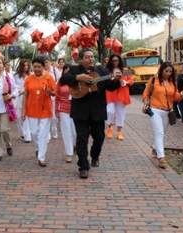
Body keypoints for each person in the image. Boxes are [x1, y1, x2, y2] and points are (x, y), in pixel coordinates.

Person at [59, 48, 121, 179]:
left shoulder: (102, 71)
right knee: (82, 139)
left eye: (92, 56)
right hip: (80, 111)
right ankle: (83, 167)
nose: (91, 59)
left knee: (99, 137)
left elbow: (110, 87)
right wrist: (78, 78)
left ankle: (95, 155)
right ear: (81, 59)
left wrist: (116, 80)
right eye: (87, 57)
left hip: (98, 110)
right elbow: (64, 79)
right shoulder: (75, 70)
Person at [142, 61, 183, 169]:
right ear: (161, 70)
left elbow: (176, 97)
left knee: (162, 132)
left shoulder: (172, 83)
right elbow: (146, 94)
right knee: (159, 132)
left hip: (168, 111)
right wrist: (146, 101)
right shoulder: (153, 80)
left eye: (170, 71)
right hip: (154, 110)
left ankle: (155, 148)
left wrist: (182, 93)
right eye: (166, 71)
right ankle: (161, 157)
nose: (168, 73)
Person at [21, 57, 56, 167]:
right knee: (34, 132)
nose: (37, 69)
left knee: (43, 133)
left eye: (39, 67)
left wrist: (50, 92)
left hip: (45, 109)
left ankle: (41, 157)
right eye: (35, 67)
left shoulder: (49, 78)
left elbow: (55, 93)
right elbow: (25, 95)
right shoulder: (29, 79)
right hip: (31, 109)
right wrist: (23, 110)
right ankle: (37, 148)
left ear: (43, 67)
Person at [105, 54, 133, 140]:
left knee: (120, 113)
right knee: (109, 111)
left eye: (116, 60)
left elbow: (131, 80)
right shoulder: (107, 71)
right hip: (110, 93)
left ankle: (119, 132)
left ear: (119, 60)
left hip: (122, 94)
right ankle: (109, 127)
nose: (115, 62)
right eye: (113, 60)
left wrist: (126, 82)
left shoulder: (125, 70)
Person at [55, 64, 77, 163]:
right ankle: (69, 153)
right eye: (66, 71)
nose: (67, 73)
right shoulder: (60, 83)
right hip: (64, 109)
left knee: (75, 132)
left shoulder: (77, 82)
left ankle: (75, 145)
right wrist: (56, 110)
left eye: (69, 71)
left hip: (76, 110)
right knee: (66, 132)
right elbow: (57, 97)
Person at [41, 54, 60, 139]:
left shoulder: (55, 71)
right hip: (44, 97)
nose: (45, 64)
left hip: (53, 97)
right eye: (43, 63)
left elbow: (59, 82)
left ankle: (54, 129)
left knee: (54, 117)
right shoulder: (41, 72)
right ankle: (47, 133)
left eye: (46, 62)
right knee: (46, 116)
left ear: (49, 62)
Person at [13, 59, 31, 143]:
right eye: (24, 65)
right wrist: (17, 90)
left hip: (28, 98)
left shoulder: (31, 75)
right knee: (18, 117)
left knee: (26, 117)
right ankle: (22, 132)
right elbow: (13, 86)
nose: (26, 67)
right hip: (18, 98)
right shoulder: (16, 76)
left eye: (27, 65)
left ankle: (27, 135)